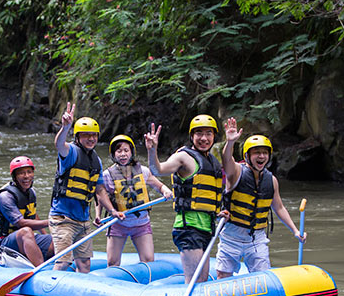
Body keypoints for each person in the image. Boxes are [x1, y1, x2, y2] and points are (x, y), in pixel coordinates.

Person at [216, 117, 307, 278]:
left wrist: (295, 230)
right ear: (247, 155)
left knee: (263, 278)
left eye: (264, 153)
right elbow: (226, 160)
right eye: (257, 152)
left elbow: (278, 207)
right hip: (231, 235)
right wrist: (230, 142)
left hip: (257, 237)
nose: (261, 156)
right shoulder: (236, 172)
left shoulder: (271, 180)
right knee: (223, 276)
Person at [144, 114, 227, 283]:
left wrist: (220, 212)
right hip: (189, 229)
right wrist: (152, 150)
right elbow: (158, 170)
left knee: (203, 281)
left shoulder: (213, 161)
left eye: (208, 134)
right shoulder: (183, 157)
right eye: (199, 134)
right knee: (195, 282)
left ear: (214, 137)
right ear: (192, 136)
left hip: (207, 228)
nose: (204, 138)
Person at [49, 102, 124, 273]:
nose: (91, 139)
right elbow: (59, 145)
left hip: (82, 220)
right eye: (86, 135)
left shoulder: (96, 160)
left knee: (84, 264)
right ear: (77, 137)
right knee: (63, 262)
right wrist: (65, 127)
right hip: (63, 219)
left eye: (94, 135)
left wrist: (112, 211)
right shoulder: (71, 152)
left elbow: (100, 191)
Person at [94, 134, 173, 266]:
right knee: (112, 262)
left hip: (141, 223)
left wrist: (166, 190)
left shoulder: (143, 171)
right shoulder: (107, 175)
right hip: (118, 223)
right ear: (114, 154)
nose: (123, 154)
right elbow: (100, 197)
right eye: (119, 151)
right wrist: (97, 215)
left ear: (132, 152)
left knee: (148, 260)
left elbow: (159, 185)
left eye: (126, 150)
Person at [0, 155, 54, 266]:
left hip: (26, 237)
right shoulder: (5, 197)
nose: (26, 176)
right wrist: (50, 222)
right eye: (21, 173)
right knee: (26, 231)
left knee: (58, 239)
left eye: (29, 172)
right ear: (15, 176)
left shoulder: (31, 192)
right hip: (6, 242)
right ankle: (40, 270)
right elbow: (21, 223)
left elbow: (33, 215)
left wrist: (45, 235)